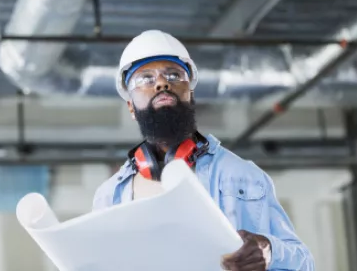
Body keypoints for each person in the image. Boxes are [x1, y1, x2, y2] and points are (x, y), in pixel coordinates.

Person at [92, 30, 315, 271]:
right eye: (145, 79)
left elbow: (304, 264)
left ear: (191, 93)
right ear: (131, 106)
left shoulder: (242, 176)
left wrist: (269, 251)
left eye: (174, 74)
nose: (161, 83)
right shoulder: (109, 195)